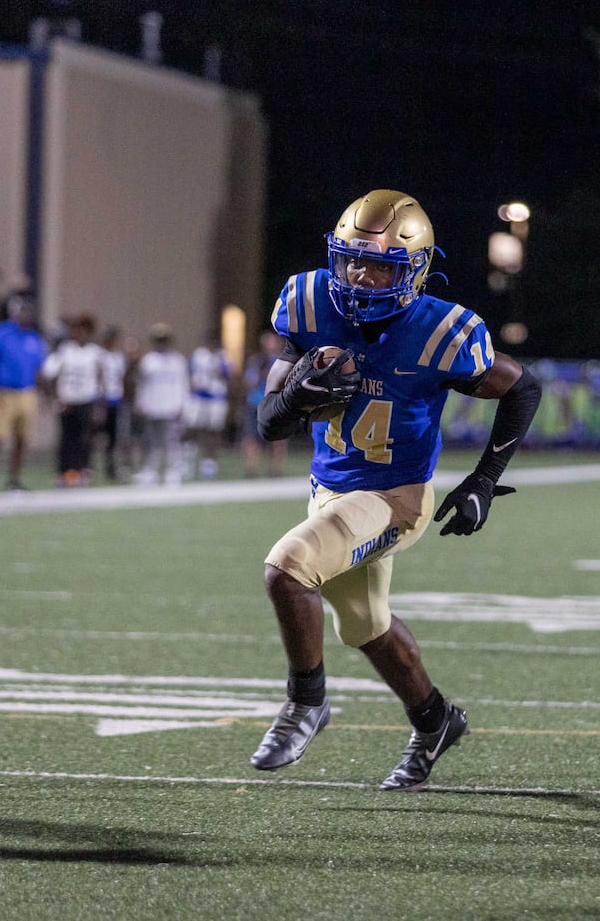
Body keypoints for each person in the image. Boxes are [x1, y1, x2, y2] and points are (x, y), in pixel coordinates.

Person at [250, 189, 542, 791]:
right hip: (329, 490)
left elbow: (522, 387)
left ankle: (306, 703)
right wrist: (296, 399)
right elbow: (267, 422)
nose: (360, 275)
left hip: (395, 498)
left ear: (415, 270)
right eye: (352, 259)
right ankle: (435, 721)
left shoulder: (440, 331)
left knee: (288, 568)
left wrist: (485, 479)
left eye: (381, 263)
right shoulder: (308, 304)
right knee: (364, 626)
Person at [0, 294, 47, 494]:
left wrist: (45, 396)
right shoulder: (1, 333)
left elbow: (39, 370)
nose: (26, 314)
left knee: (22, 439)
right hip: (4, 392)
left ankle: (13, 480)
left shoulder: (33, 337)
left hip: (26, 392)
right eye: (22, 310)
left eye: (28, 310)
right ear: (13, 312)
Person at [41, 313, 104, 486]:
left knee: (84, 437)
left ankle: (82, 470)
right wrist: (56, 399)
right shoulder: (65, 350)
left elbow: (100, 378)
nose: (81, 335)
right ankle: (65, 472)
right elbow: (50, 375)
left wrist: (99, 404)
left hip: (86, 399)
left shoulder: (95, 352)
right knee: (66, 438)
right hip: (68, 400)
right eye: (78, 330)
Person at [132, 322, 189, 485]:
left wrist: (183, 405)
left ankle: (173, 471)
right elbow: (141, 384)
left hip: (172, 406)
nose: (161, 343)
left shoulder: (178, 361)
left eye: (164, 340)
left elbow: (184, 384)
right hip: (153, 406)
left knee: (172, 440)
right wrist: (140, 402)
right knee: (151, 441)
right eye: (158, 340)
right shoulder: (148, 361)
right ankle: (151, 470)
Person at [241, 330, 289, 478]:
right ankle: (251, 469)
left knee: (278, 437)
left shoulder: (284, 361)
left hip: (276, 403)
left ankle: (275, 469)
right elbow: (249, 382)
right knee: (251, 437)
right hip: (255, 402)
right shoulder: (257, 361)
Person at [186, 330, 231, 478]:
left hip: (216, 398)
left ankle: (209, 464)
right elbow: (189, 374)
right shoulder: (198, 355)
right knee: (194, 428)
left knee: (213, 430)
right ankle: (190, 459)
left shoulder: (223, 357)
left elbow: (228, 376)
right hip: (199, 397)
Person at [96, 326, 128, 481]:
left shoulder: (118, 357)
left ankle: (111, 467)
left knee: (113, 438)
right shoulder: (99, 355)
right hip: (101, 399)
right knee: (94, 436)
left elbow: (121, 378)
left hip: (115, 399)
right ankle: (89, 467)